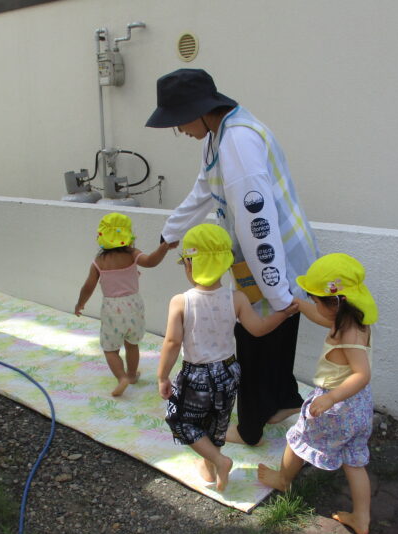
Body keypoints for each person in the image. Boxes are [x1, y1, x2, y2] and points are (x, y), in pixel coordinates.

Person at [146, 68, 319, 446]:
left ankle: (251, 426)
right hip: (266, 262)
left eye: (178, 123)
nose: (180, 131)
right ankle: (282, 401)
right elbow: (201, 192)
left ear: (197, 111)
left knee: (255, 341)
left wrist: (277, 294)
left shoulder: (237, 143)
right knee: (278, 332)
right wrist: (168, 236)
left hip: (272, 259)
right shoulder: (221, 135)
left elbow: (258, 224)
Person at [157, 224, 298, 491]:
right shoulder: (238, 298)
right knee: (217, 421)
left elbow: (173, 342)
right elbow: (257, 329)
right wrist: (282, 314)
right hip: (229, 371)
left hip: (196, 373)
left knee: (181, 420)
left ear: (189, 264)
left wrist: (162, 375)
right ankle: (210, 467)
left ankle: (218, 461)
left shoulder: (181, 301)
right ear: (224, 263)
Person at [258, 253, 377, 534]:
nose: (313, 304)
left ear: (334, 303)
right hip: (360, 408)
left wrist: (330, 398)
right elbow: (322, 317)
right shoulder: (353, 321)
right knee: (354, 460)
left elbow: (362, 374)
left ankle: (283, 479)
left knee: (298, 438)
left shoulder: (346, 334)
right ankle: (361, 517)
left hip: (338, 406)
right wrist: (299, 305)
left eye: (315, 300)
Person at [75, 212, 170, 396]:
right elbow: (151, 261)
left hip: (112, 309)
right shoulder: (132, 254)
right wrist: (164, 247)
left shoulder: (99, 261)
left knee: (110, 349)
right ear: (128, 235)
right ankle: (132, 375)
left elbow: (88, 286)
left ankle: (122, 377)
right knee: (132, 344)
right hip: (134, 306)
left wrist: (80, 303)